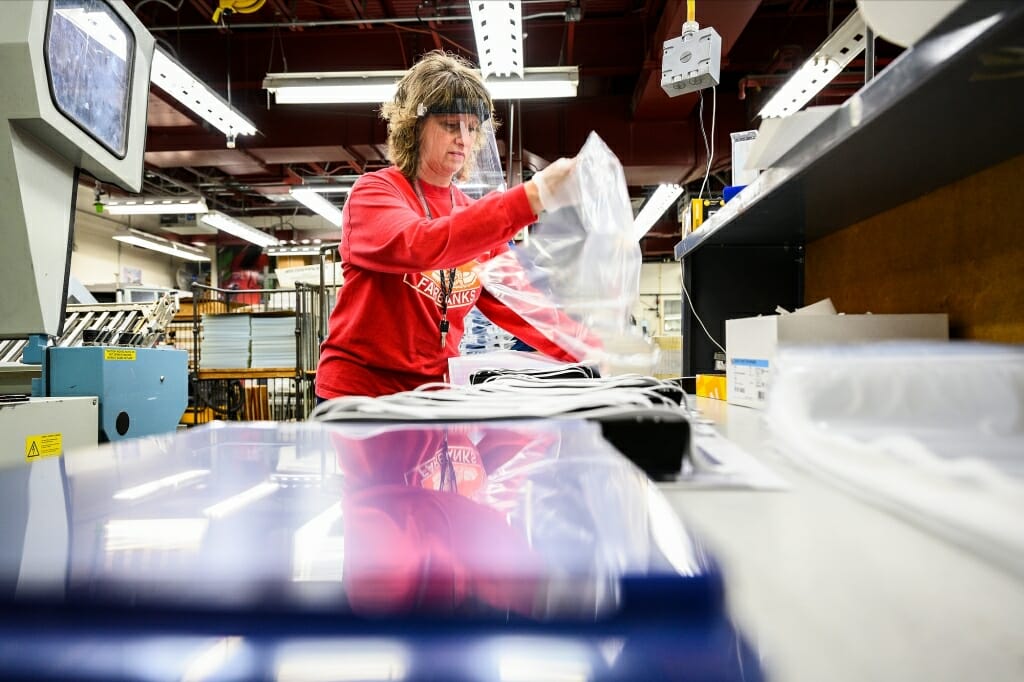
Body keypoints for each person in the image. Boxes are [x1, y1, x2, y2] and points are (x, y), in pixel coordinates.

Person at [315, 51, 590, 400]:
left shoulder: (471, 215)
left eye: (472, 128)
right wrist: (531, 197)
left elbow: (523, 305)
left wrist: (596, 353)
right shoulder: (374, 194)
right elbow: (421, 244)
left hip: (435, 395)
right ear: (414, 128)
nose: (464, 138)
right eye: (450, 126)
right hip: (360, 397)